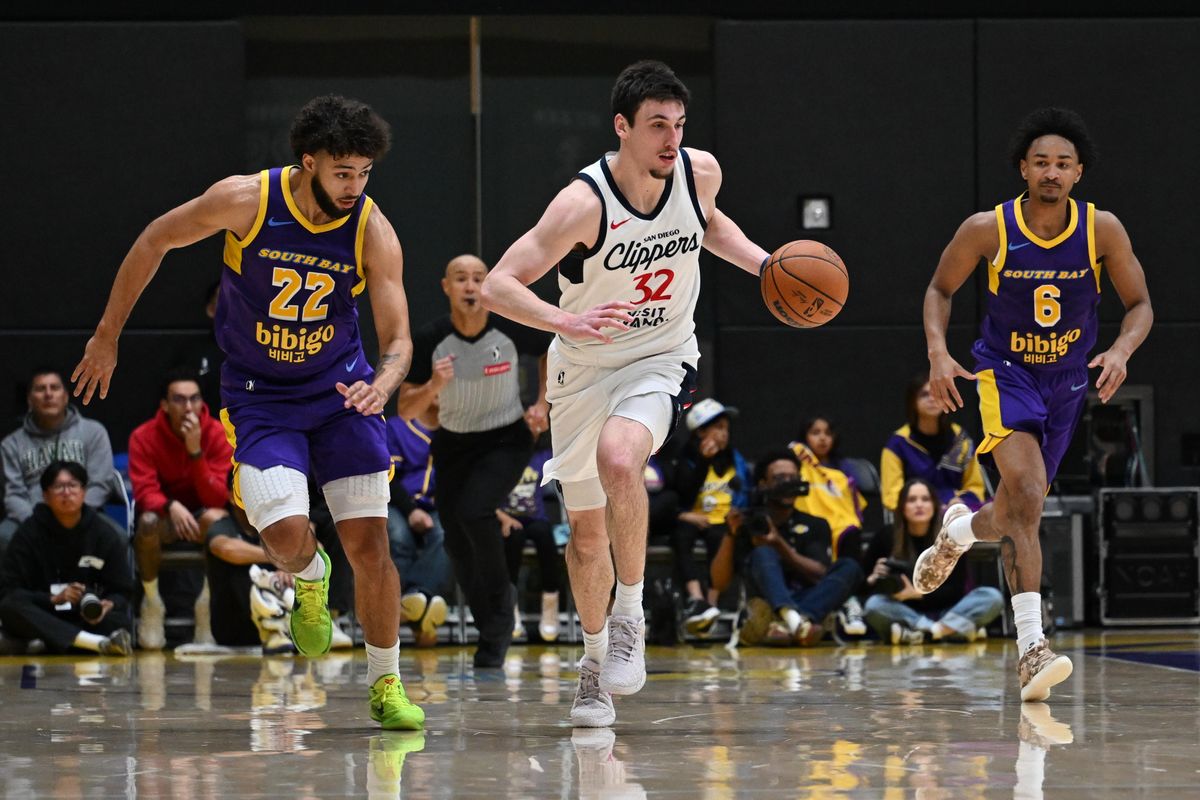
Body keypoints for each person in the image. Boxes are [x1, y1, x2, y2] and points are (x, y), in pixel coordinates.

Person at [71, 95, 424, 729]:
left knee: (370, 542)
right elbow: (156, 238)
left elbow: (397, 339)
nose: (356, 185)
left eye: (365, 172)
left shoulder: (372, 228)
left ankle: (385, 682)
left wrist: (386, 382)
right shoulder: (247, 200)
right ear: (307, 161)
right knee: (286, 541)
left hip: (342, 392)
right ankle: (308, 576)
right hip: (262, 396)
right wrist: (107, 334)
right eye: (343, 172)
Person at [482, 60, 773, 727]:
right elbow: (500, 282)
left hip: (661, 356)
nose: (671, 139)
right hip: (581, 368)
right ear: (622, 128)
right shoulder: (583, 204)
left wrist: (765, 264)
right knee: (586, 537)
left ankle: (630, 614)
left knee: (622, 459)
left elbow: (710, 225)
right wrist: (564, 320)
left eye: (678, 124)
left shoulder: (700, 173)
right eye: (655, 127)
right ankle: (591, 665)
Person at [922, 107, 1152, 702]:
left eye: (1064, 164)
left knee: (1016, 512)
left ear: (1078, 174)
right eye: (1042, 162)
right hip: (1004, 374)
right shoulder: (987, 229)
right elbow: (941, 288)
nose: (1052, 172)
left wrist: (1122, 349)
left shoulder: (1102, 230)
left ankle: (959, 533)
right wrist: (939, 355)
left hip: (1068, 381)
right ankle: (1031, 648)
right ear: (1023, 168)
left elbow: (1140, 304)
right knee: (1025, 496)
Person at [396, 253, 550, 667]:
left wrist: (543, 401)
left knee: (474, 510)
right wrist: (434, 384)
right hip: (453, 442)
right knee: (457, 543)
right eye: (460, 278)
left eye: (478, 278)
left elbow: (553, 348)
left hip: (506, 439)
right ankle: (491, 634)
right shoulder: (430, 338)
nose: (470, 286)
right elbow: (406, 409)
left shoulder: (510, 327)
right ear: (446, 287)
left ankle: (503, 605)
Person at [711, 450, 863, 646]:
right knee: (763, 552)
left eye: (792, 478)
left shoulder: (816, 523)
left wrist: (779, 544)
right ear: (763, 484)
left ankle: (793, 622)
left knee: (849, 566)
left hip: (810, 598)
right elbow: (719, 583)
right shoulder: (748, 523)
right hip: (765, 604)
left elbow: (820, 574)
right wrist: (730, 534)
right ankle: (795, 621)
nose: (787, 483)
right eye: (779, 478)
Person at [128, 367, 232, 649]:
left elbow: (218, 497)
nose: (188, 407)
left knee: (217, 517)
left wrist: (195, 451)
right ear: (164, 404)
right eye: (179, 399)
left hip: (202, 516)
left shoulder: (220, 432)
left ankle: (205, 607)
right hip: (166, 516)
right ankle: (152, 602)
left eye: (194, 399)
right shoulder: (143, 436)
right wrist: (170, 505)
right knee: (146, 522)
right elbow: (144, 490)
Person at [0, 461, 133, 655]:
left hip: (83, 617)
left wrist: (108, 604)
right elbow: (9, 590)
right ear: (45, 495)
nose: (67, 492)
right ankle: (97, 644)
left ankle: (48, 642)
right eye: (58, 486)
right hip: (44, 613)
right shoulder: (28, 533)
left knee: (120, 621)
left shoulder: (103, 533)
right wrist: (52, 599)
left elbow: (123, 590)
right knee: (10, 607)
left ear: (83, 492)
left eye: (73, 485)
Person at [862, 478, 1004, 645]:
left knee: (991, 597)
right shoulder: (886, 536)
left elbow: (956, 590)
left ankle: (921, 633)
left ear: (934, 505)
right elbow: (863, 589)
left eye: (925, 499)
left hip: (949, 610)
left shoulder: (951, 535)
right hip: (904, 611)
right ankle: (950, 630)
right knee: (874, 605)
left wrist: (918, 594)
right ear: (902, 506)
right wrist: (873, 578)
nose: (919, 505)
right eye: (912, 500)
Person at [1, 368, 119, 565]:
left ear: (65, 397)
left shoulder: (94, 432)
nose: (48, 394)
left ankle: (119, 596)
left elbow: (101, 483)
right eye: (40, 389)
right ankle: (12, 595)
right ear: (30, 400)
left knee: (119, 538)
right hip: (33, 518)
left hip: (84, 515)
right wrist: (40, 524)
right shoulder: (11, 444)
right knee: (4, 538)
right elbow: (13, 494)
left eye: (54, 388)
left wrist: (74, 517)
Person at [671, 398, 751, 636]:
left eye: (726, 429)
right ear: (701, 431)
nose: (724, 434)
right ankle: (697, 600)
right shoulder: (686, 458)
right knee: (680, 536)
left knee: (723, 539)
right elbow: (681, 493)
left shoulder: (734, 459)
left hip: (725, 519)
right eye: (718, 428)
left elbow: (745, 490)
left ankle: (711, 604)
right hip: (694, 517)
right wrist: (703, 462)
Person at [385, 407, 451, 648]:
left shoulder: (453, 429)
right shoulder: (396, 426)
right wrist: (412, 511)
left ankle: (414, 601)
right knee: (399, 536)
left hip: (436, 507)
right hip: (397, 503)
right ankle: (414, 618)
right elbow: (387, 477)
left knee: (447, 535)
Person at [880, 372, 986, 513]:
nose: (932, 399)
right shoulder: (898, 444)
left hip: (957, 513)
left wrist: (961, 503)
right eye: (924, 395)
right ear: (912, 402)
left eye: (938, 394)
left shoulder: (960, 439)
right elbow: (891, 496)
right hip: (918, 517)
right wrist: (932, 507)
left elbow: (975, 487)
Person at [204, 505, 297, 655]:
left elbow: (316, 547)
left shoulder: (276, 524)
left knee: (305, 567)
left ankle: (314, 623)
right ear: (232, 496)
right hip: (235, 628)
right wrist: (278, 558)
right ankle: (270, 628)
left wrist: (291, 566)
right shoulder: (223, 525)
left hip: (285, 615)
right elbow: (226, 549)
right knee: (245, 568)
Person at [496, 440, 563, 642]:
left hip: (536, 519)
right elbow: (485, 495)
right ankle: (511, 608)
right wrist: (502, 517)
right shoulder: (501, 456)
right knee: (513, 540)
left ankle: (550, 608)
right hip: (508, 519)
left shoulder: (543, 456)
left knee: (545, 537)